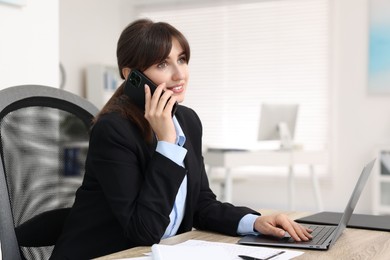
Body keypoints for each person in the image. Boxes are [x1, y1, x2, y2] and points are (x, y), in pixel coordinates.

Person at [50, 18, 312, 259]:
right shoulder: (113, 130)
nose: (179, 74)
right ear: (131, 76)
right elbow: (144, 230)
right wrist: (167, 143)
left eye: (182, 59)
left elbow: (201, 204)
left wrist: (253, 222)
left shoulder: (187, 121)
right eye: (162, 64)